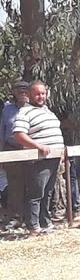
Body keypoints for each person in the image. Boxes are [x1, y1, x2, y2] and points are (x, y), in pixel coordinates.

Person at [12, 81, 65, 235]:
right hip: (38, 159)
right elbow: (19, 134)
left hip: (54, 158)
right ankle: (33, 226)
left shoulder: (48, 111)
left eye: (43, 93)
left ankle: (45, 222)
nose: (41, 96)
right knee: (36, 193)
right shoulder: (24, 112)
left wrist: (60, 152)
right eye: (37, 94)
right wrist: (38, 146)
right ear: (29, 95)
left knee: (48, 193)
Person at [0, 81, 30, 228]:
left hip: (30, 151)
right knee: (14, 186)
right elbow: (2, 131)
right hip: (11, 150)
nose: (23, 92)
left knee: (32, 184)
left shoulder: (35, 109)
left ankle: (31, 217)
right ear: (14, 91)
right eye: (19, 89)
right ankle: (15, 217)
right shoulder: (7, 110)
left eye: (25, 89)